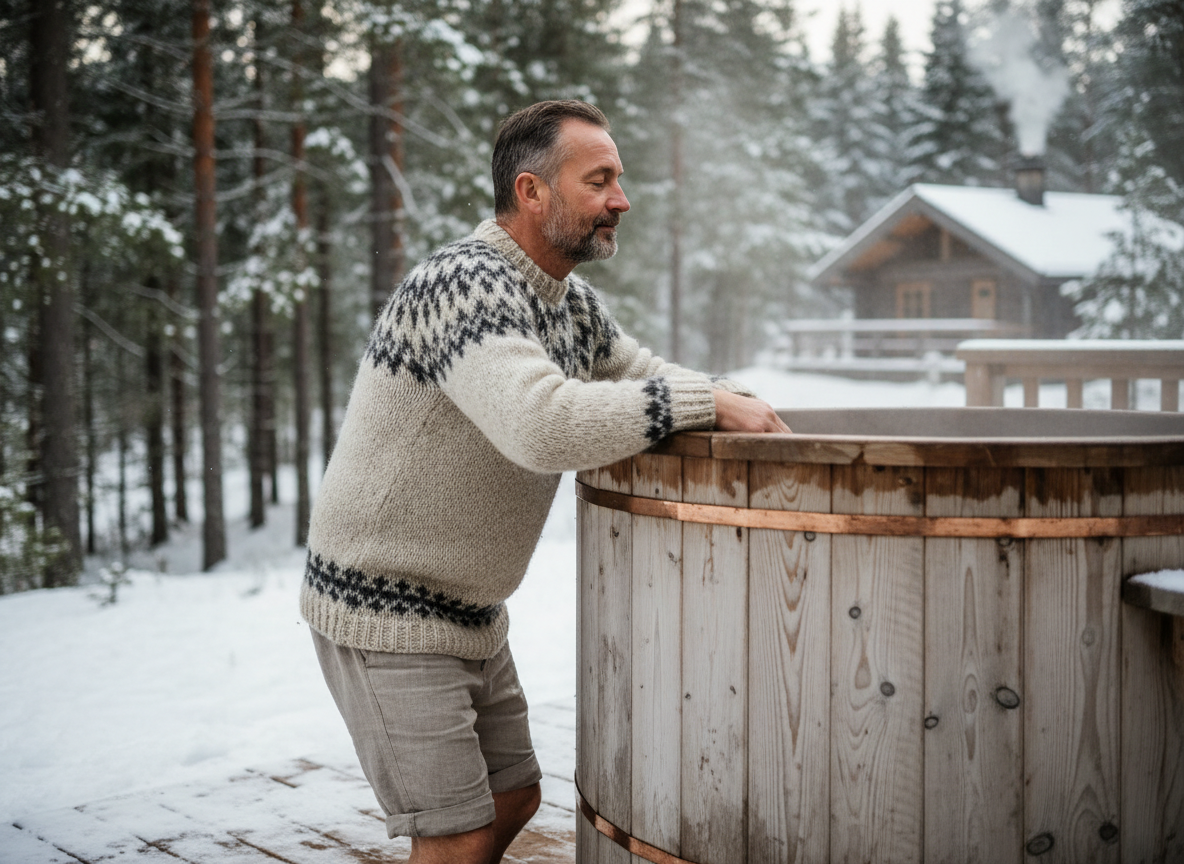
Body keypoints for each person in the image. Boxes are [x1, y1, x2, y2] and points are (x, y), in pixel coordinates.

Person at [302, 99, 790, 864]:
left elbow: (645, 374)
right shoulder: (462, 283)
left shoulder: (566, 301)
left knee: (513, 797)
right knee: (457, 832)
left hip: (466, 608)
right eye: (599, 181)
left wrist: (737, 401)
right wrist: (703, 402)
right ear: (532, 192)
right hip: (383, 605)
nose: (621, 200)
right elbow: (542, 425)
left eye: (619, 180)